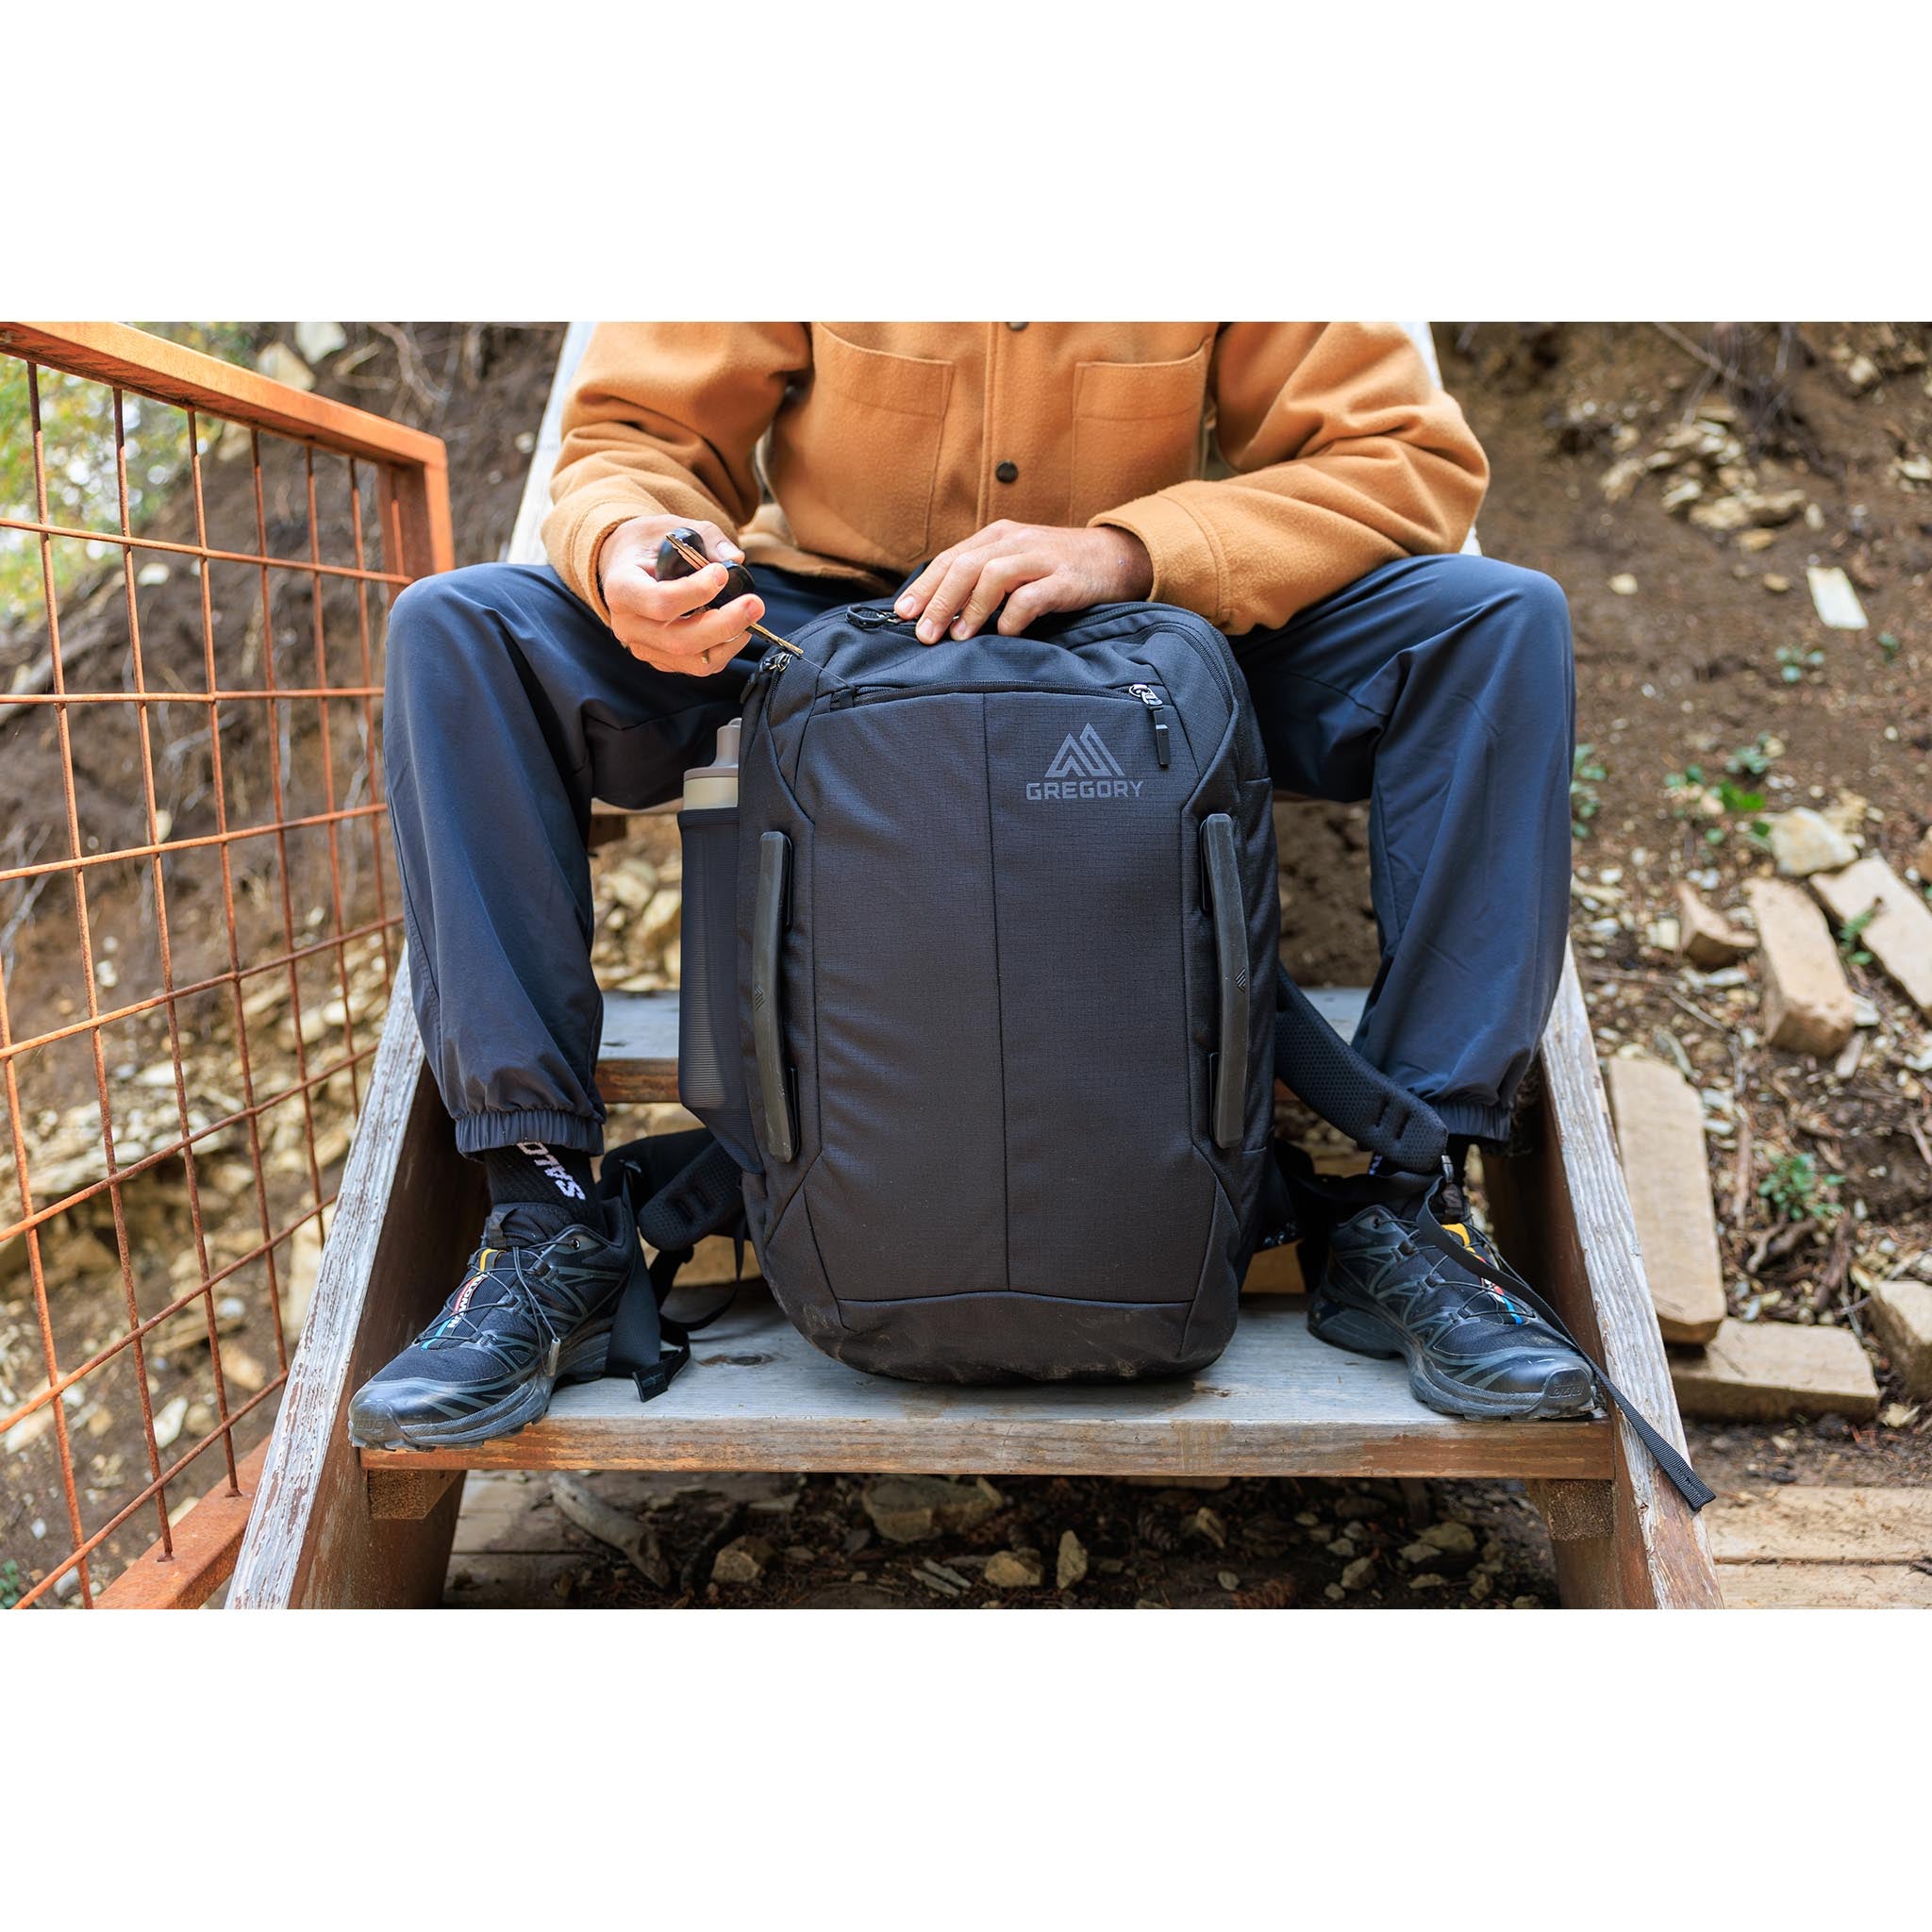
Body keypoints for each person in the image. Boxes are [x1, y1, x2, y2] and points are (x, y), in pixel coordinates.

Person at [347, 324, 1593, 1451]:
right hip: (816, 632)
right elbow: (639, 437)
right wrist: (630, 544)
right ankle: (548, 1215)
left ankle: (1408, 1208)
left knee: (1494, 625)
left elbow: (1403, 460)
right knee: (464, 633)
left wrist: (1130, 549)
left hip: (1147, 636)